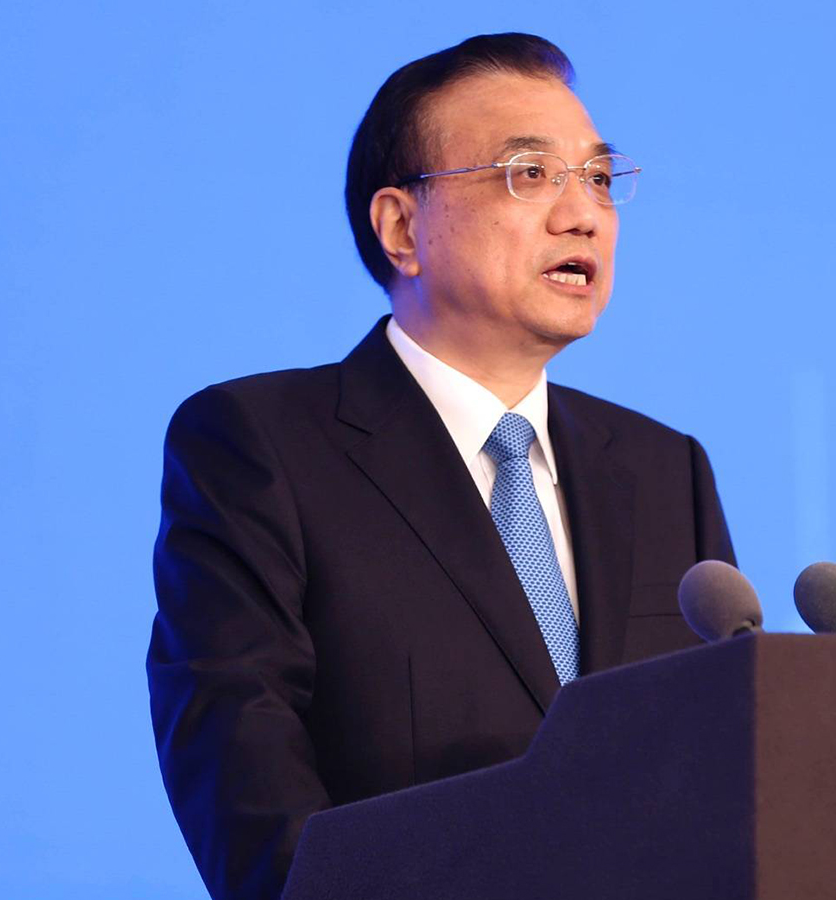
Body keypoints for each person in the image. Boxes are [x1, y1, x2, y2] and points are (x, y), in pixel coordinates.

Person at [145, 33, 737, 900]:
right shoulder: (261, 446)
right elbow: (249, 798)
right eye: (530, 174)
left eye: (600, 178)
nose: (583, 214)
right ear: (402, 227)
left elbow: (719, 772)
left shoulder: (663, 470)